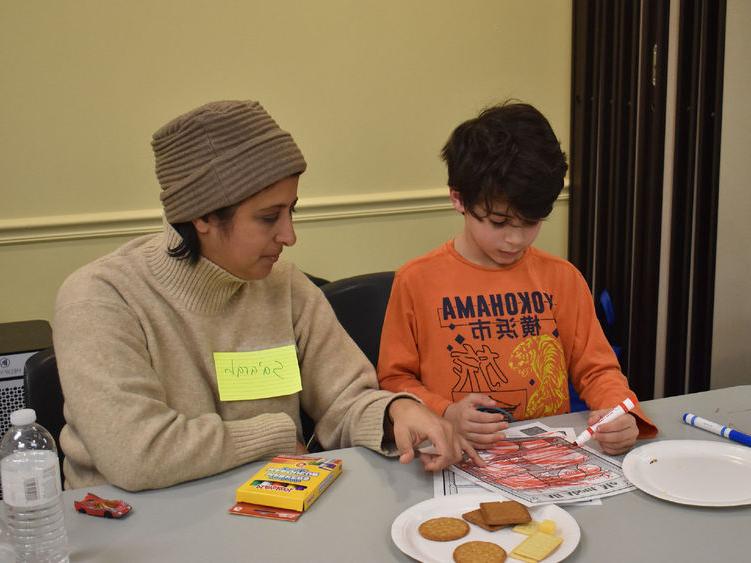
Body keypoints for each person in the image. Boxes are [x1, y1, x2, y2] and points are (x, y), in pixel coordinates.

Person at [53, 100, 479, 491]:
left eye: (290, 210)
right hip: (128, 527)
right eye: (268, 217)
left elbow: (346, 400)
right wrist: (275, 435)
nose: (289, 236)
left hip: (269, 511)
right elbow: (139, 455)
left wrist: (395, 414)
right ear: (200, 215)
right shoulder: (100, 298)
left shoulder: (286, 286)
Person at [377, 102, 657, 455]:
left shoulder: (562, 278)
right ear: (458, 199)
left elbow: (598, 370)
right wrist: (445, 412)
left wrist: (620, 413)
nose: (516, 239)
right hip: (457, 456)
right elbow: (394, 381)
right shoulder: (416, 281)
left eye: (531, 222)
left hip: (547, 457)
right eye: (498, 223)